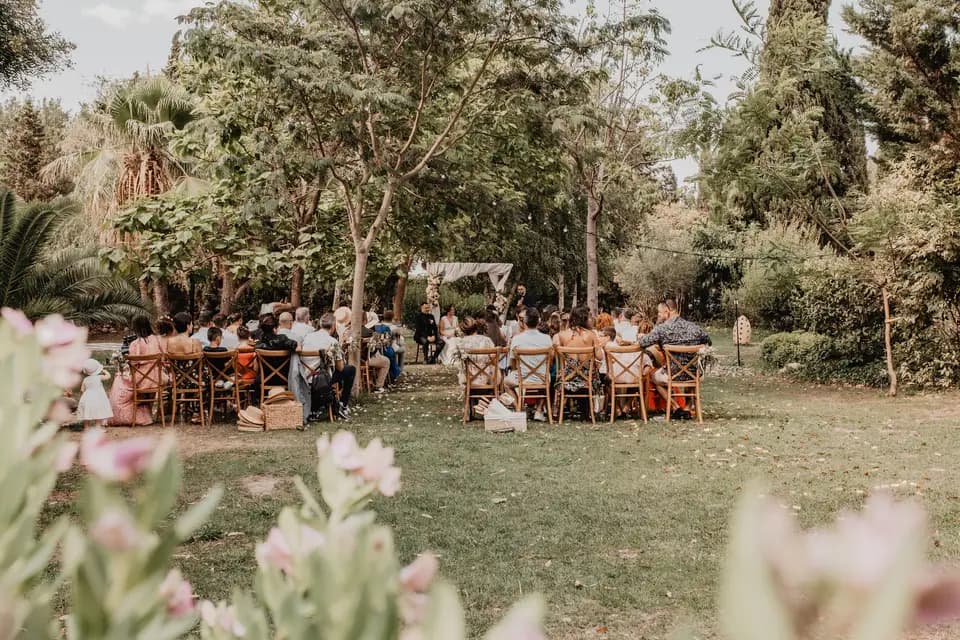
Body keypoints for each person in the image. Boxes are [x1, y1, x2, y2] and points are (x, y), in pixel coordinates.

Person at [638, 300, 711, 419]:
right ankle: (687, 407)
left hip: (672, 374)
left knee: (654, 377)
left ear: (667, 311)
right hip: (694, 374)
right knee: (689, 370)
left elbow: (642, 343)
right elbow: (708, 340)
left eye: (660, 313)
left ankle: (676, 407)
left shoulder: (662, 329)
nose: (659, 316)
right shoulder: (694, 327)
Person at [302, 313, 355, 420]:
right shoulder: (332, 341)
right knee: (350, 370)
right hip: (322, 379)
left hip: (305, 376)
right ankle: (343, 404)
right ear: (333, 326)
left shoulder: (307, 337)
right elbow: (340, 367)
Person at [504, 307, 553, 421]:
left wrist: (521, 370)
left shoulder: (517, 339)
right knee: (548, 377)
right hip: (543, 378)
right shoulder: (547, 339)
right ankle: (539, 410)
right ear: (538, 321)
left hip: (522, 378)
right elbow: (550, 362)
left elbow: (512, 363)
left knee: (506, 382)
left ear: (524, 321)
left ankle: (519, 409)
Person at [110, 315, 159, 426]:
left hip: (142, 380)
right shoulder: (157, 340)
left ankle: (133, 413)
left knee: (120, 379)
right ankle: (146, 413)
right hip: (158, 378)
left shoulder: (135, 344)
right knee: (148, 377)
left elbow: (133, 364)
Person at [449, 317, 495, 387]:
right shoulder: (487, 340)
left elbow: (456, 361)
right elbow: (493, 358)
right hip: (488, 378)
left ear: (463, 330)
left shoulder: (461, 342)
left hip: (468, 379)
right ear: (476, 327)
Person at [76, 358, 113, 427]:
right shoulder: (99, 377)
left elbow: (82, 390)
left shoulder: (85, 379)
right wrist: (104, 371)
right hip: (97, 398)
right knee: (97, 412)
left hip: (87, 398)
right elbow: (108, 376)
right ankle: (97, 427)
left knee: (86, 413)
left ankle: (86, 427)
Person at [361, 312, 391, 391]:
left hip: (349, 360)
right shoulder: (369, 332)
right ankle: (378, 386)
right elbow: (378, 345)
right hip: (365, 360)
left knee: (379, 358)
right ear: (365, 320)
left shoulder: (347, 331)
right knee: (386, 361)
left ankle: (371, 381)